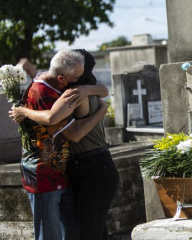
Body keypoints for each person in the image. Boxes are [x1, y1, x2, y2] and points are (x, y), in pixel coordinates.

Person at [11, 49, 119, 240]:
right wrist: (101, 109)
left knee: (85, 232)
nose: (77, 79)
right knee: (76, 232)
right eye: (76, 75)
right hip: (57, 171)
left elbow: (56, 119)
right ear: (62, 77)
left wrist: (24, 112)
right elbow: (62, 123)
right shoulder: (56, 91)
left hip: (79, 168)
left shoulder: (72, 90)